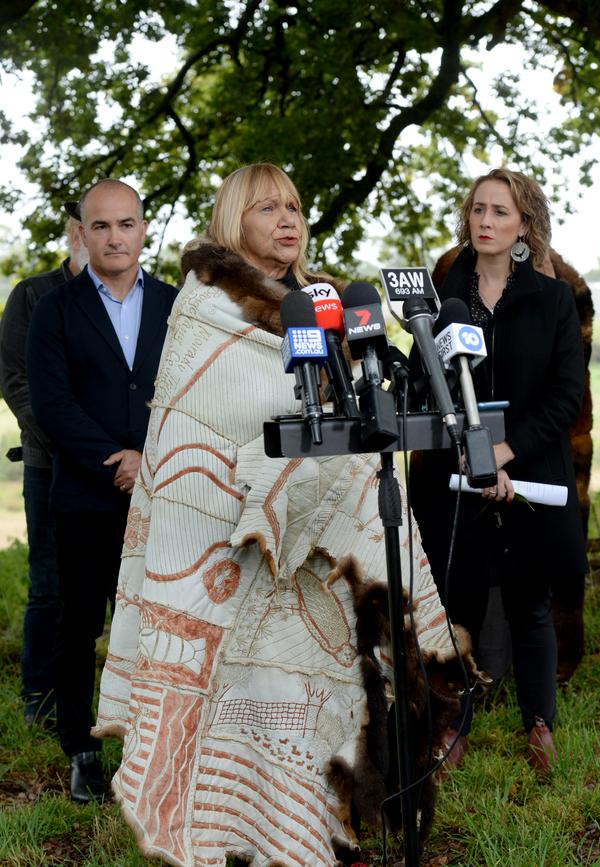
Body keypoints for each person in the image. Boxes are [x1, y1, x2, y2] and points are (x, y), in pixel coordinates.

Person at [93, 163, 471, 867]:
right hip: (230, 543)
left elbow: (355, 412)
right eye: (268, 207)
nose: (287, 219)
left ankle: (326, 830)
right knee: (257, 693)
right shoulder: (205, 308)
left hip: (322, 550)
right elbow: (205, 421)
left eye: (294, 205)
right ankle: (245, 836)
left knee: (328, 688)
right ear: (236, 218)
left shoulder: (322, 302)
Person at [409, 168, 588, 779]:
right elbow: (421, 388)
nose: (484, 221)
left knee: (529, 605)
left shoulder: (553, 299)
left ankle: (539, 724)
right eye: (477, 210)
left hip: (531, 473)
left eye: (499, 212)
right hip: (452, 482)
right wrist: (467, 455)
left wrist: (505, 455)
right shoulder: (437, 302)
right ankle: (452, 724)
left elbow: (565, 399)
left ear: (523, 226)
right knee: (454, 607)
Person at [26, 179, 178, 803]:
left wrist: (154, 459)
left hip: (168, 492)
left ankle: (151, 746)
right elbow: (51, 404)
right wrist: (114, 461)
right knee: (80, 621)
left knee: (158, 626)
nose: (115, 237)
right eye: (101, 226)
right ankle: (81, 750)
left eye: (127, 224)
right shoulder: (54, 309)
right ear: (82, 233)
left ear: (144, 229)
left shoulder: (177, 305)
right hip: (87, 495)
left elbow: (192, 392)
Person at [0, 212, 88, 728]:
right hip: (48, 465)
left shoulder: (136, 301)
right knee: (50, 585)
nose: (96, 236)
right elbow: (16, 380)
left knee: (123, 586)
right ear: (73, 231)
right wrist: (74, 443)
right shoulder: (32, 296)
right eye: (86, 225)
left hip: (120, 468)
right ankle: (39, 697)